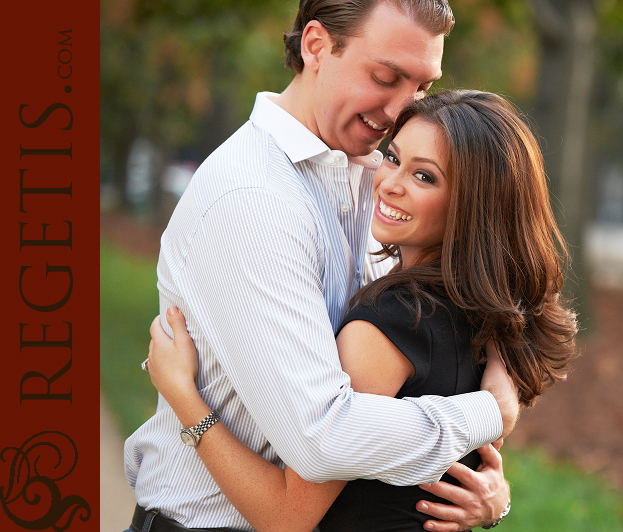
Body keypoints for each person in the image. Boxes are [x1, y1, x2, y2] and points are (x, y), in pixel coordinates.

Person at [123, 2, 520, 531]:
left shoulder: (378, 180)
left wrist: (486, 488)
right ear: (315, 46)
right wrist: (489, 411)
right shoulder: (254, 199)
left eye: (422, 87)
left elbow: (414, 366)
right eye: (386, 76)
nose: (404, 108)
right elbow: (321, 439)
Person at [146, 89, 579, 531]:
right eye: (393, 158)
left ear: (472, 205)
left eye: (425, 177)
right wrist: (496, 501)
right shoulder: (486, 321)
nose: (390, 182)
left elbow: (286, 516)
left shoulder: (393, 323)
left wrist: (185, 400)